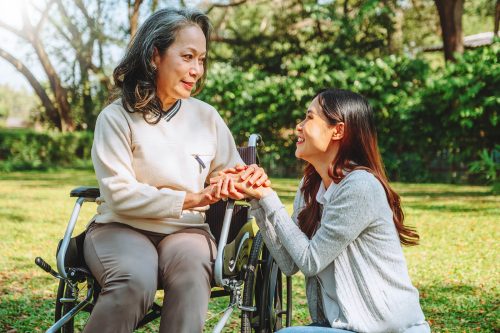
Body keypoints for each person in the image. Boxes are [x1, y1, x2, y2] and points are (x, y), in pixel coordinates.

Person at [83, 8, 266, 333]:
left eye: (202, 59)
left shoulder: (206, 117)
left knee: (193, 273)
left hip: (186, 232)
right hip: (121, 227)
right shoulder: (115, 118)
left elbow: (231, 171)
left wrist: (245, 178)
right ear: (155, 55)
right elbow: (120, 195)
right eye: (187, 57)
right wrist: (195, 198)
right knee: (133, 280)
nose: (197, 70)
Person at [216, 89, 431, 332]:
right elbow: (289, 263)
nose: (299, 126)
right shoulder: (310, 186)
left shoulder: (359, 186)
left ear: (338, 130)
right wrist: (256, 200)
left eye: (309, 117)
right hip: (344, 328)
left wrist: (268, 196)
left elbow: (310, 261)